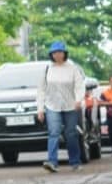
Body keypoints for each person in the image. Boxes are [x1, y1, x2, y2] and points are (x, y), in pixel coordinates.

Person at [36, 41, 86, 172]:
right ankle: (52, 162)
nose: (57, 55)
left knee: (71, 133)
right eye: (54, 53)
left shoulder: (72, 68)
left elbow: (80, 86)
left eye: (60, 52)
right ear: (51, 55)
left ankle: (75, 162)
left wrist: (78, 100)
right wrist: (40, 109)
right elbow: (41, 89)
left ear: (64, 53)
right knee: (53, 132)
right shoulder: (47, 68)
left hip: (70, 106)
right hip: (52, 105)